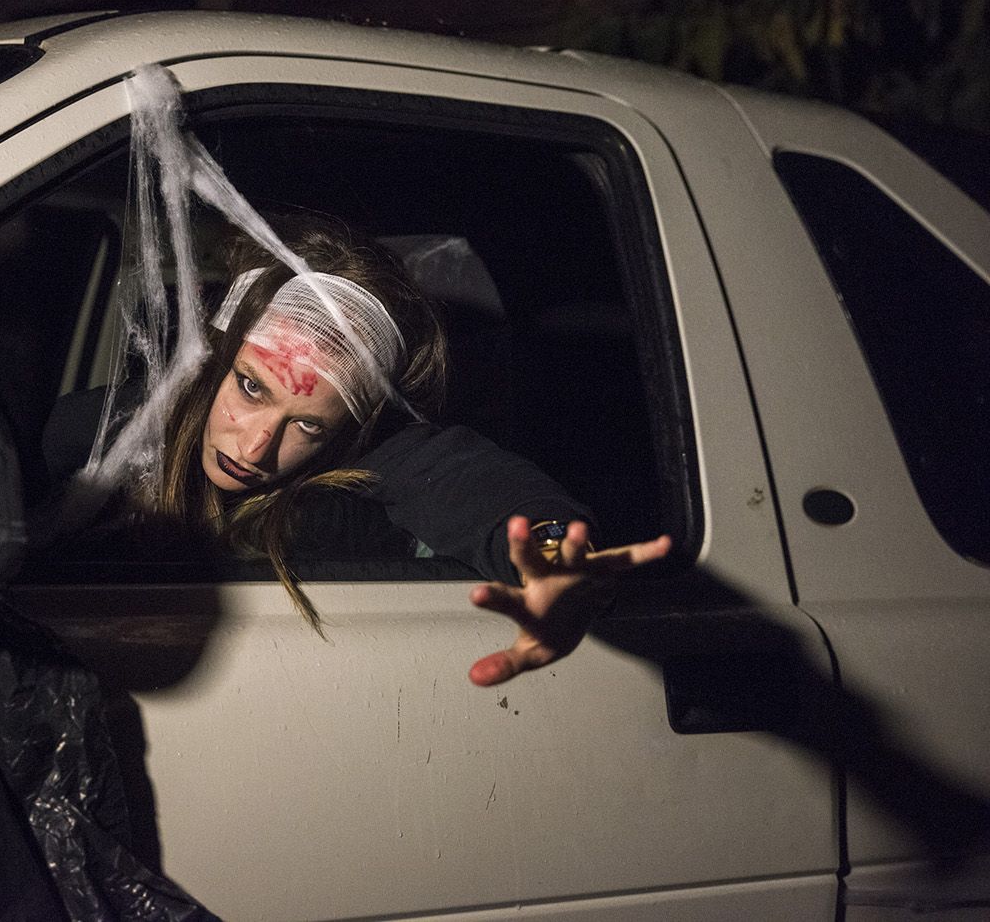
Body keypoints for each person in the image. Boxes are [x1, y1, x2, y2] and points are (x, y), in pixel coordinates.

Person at [41, 217, 671, 686]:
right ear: (214, 358)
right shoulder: (96, 434)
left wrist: (556, 556)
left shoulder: (379, 456)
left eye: (308, 427)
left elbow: (479, 489)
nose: (258, 446)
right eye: (251, 387)